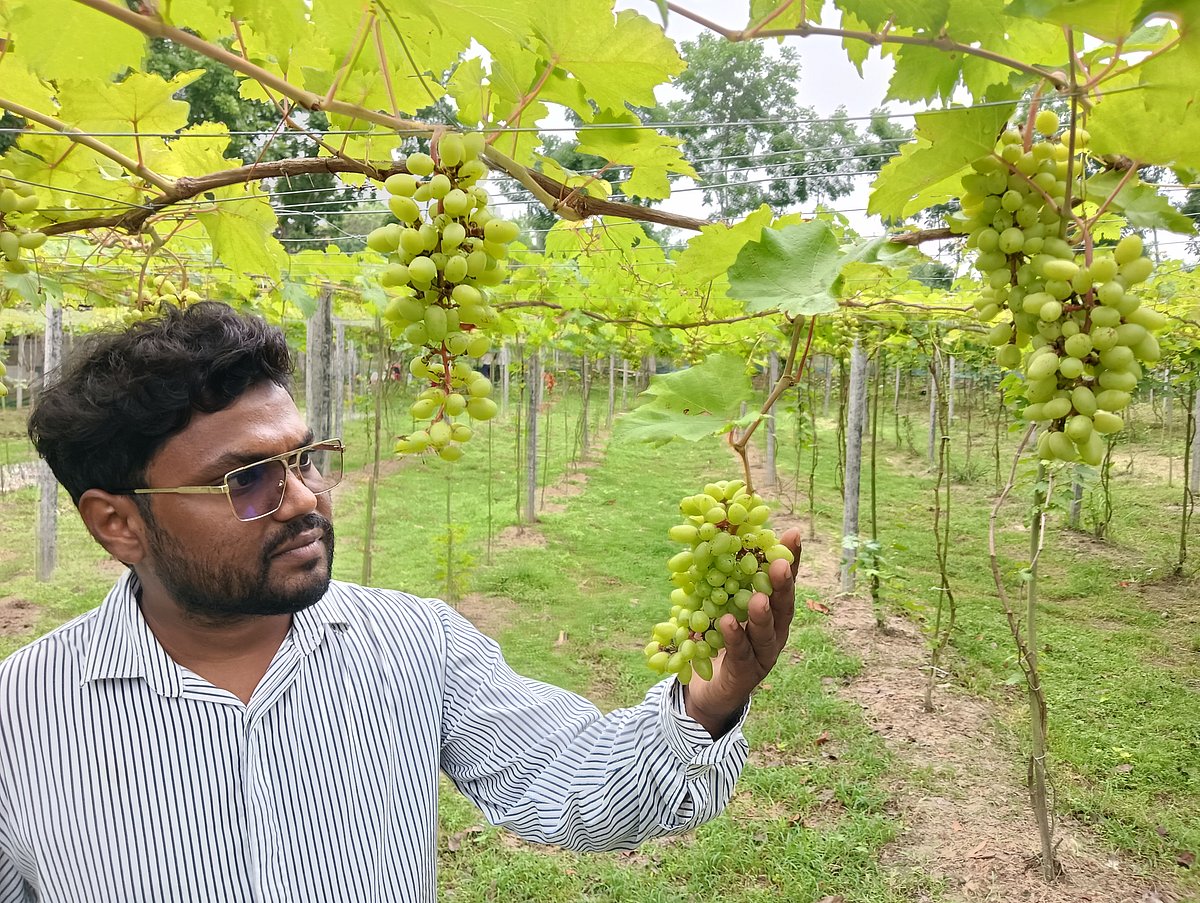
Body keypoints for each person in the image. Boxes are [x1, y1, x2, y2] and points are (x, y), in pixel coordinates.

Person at [0, 302, 800, 902]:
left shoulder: (416, 644)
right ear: (117, 522)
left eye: (306, 458)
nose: (304, 501)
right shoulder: (19, 715)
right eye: (247, 479)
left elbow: (571, 783)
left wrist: (708, 704)